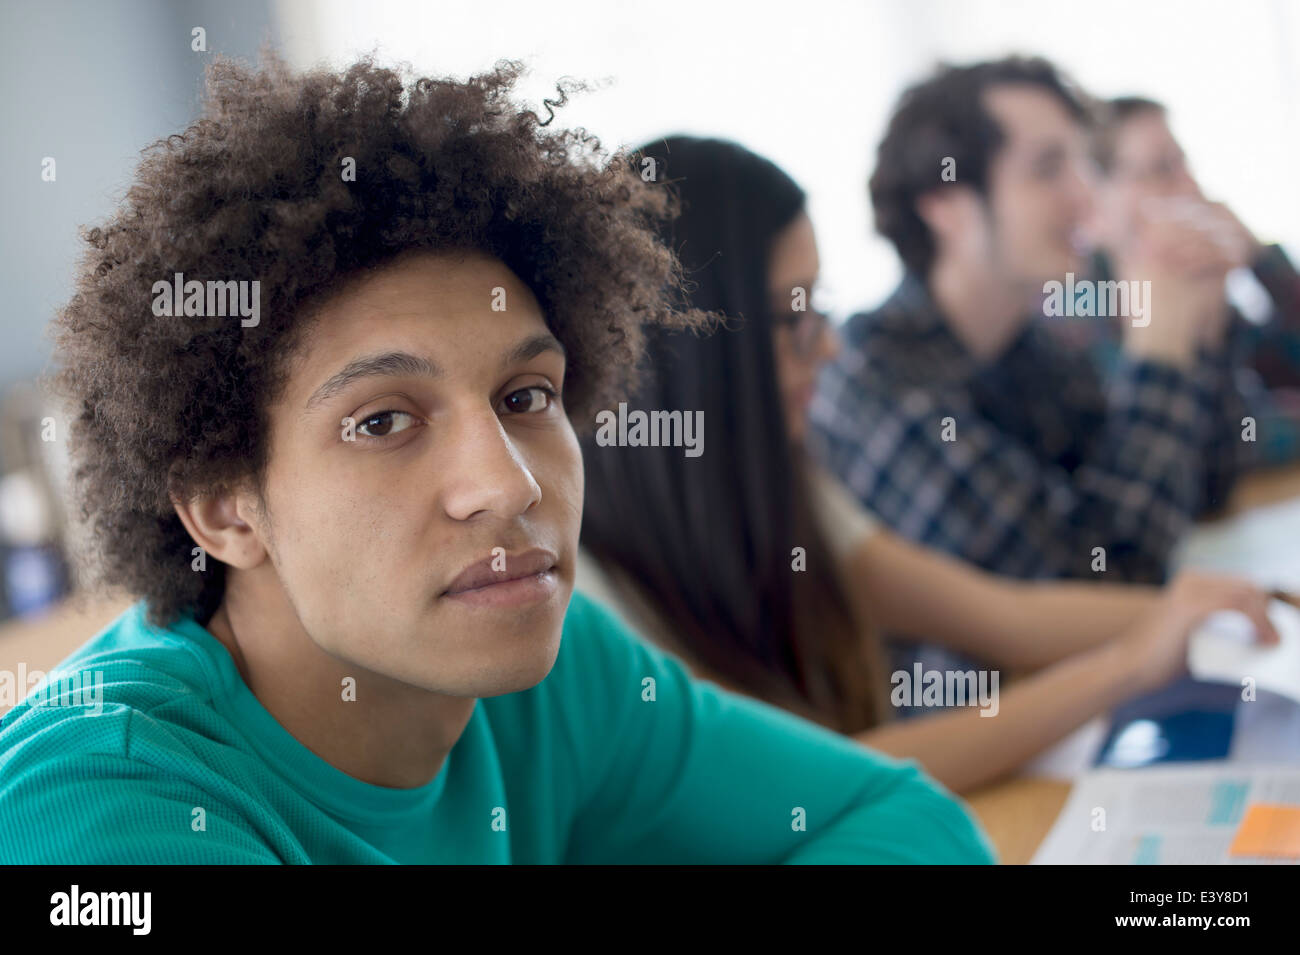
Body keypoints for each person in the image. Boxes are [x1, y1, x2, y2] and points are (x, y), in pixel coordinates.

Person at [0, 56, 995, 865]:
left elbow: (910, 823)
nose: (510, 483)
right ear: (223, 507)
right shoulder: (98, 798)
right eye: (383, 421)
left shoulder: (552, 669)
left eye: (525, 399)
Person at [577, 136, 1280, 794]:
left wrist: (1221, 608)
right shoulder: (585, 593)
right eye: (794, 318)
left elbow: (1007, 610)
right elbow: (794, 780)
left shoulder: (792, 478)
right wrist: (1128, 662)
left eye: (819, 307)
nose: (826, 348)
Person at [810, 56, 1252, 585]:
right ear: (946, 203)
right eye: (1047, 168)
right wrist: (1156, 346)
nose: (1088, 196)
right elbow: (1096, 577)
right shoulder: (875, 379)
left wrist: (1199, 322)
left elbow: (1205, 487)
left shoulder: (1033, 348)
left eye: (1083, 164)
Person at [1076, 95, 1300, 466]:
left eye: (1184, 162)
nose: (1190, 185)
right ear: (1096, 203)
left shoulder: (1208, 294)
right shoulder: (1076, 309)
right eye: (1162, 168)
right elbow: (1180, 450)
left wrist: (1260, 258)